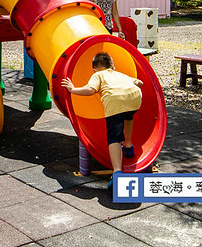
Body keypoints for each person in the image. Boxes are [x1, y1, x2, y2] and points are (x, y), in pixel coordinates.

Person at [61, 52, 142, 189]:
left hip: (115, 101)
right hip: (135, 98)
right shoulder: (119, 74)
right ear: (113, 67)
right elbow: (139, 83)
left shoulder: (97, 75)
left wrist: (73, 89)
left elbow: (90, 90)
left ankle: (117, 172)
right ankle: (128, 145)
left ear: (94, 68)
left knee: (114, 137)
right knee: (129, 117)